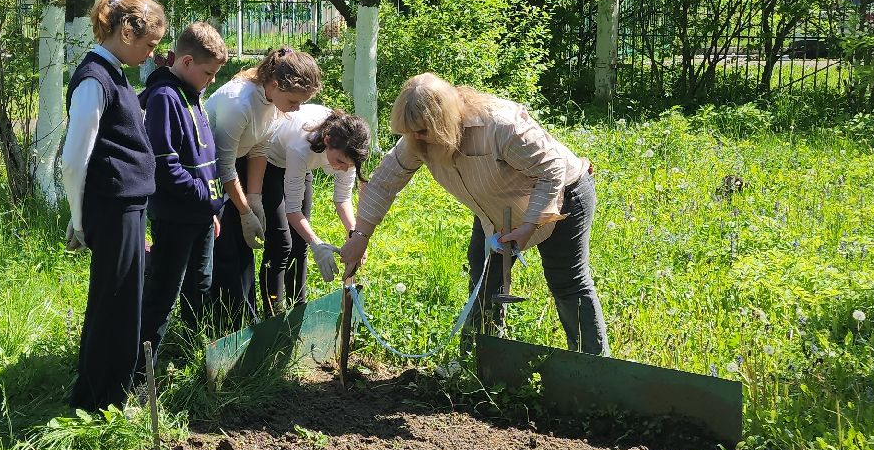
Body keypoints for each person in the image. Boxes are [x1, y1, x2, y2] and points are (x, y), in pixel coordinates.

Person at [339, 73, 607, 355]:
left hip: (562, 196)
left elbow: (552, 169)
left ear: (443, 121)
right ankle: (477, 363)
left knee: (566, 282)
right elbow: (384, 182)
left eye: (421, 131)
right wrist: (361, 236)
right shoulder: (418, 140)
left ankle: (592, 367)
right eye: (409, 132)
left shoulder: (500, 126)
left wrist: (529, 225)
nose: (414, 139)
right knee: (484, 281)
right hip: (496, 211)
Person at [60, 0, 168, 411]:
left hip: (127, 205)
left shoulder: (115, 72)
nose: (149, 55)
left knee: (121, 300)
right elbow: (73, 160)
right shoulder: (94, 78)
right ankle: (100, 400)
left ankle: (106, 393)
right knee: (116, 302)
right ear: (126, 31)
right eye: (148, 45)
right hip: (112, 206)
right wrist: (79, 220)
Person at [206, 45, 323, 327]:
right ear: (275, 84)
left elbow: (260, 148)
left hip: (239, 169)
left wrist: (254, 198)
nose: (297, 109)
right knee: (230, 251)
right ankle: (225, 323)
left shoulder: (271, 103)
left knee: (244, 253)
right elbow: (223, 165)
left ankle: (249, 318)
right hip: (207, 174)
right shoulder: (240, 103)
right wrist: (245, 212)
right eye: (294, 101)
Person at [139, 21, 229, 357]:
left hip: (201, 215)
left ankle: (192, 354)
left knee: (200, 285)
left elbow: (204, 158)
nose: (212, 80)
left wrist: (210, 209)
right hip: (177, 216)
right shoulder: (165, 98)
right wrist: (206, 200)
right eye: (209, 72)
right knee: (164, 293)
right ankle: (138, 374)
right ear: (187, 63)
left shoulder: (193, 94)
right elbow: (166, 166)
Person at [259, 106, 368, 311]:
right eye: (341, 162)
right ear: (327, 141)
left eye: (349, 166)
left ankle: (298, 308)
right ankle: (274, 312)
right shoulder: (301, 147)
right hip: (271, 160)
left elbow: (342, 198)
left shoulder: (348, 150)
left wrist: (355, 236)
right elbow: (292, 210)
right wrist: (318, 244)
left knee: (301, 243)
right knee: (281, 244)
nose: (344, 169)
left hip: (304, 165)